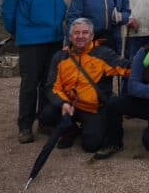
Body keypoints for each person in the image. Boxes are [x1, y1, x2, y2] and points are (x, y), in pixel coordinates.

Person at [0, 0, 67, 144]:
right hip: (31, 36)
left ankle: (45, 120)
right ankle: (25, 125)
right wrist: (17, 30)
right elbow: (8, 5)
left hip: (54, 35)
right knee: (30, 83)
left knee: (49, 82)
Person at [41, 18, 129, 155]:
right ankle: (71, 130)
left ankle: (97, 127)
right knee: (47, 114)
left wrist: (144, 61)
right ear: (70, 37)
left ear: (92, 36)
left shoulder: (104, 54)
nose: (80, 36)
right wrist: (63, 103)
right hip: (70, 106)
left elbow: (125, 68)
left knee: (91, 145)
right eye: (76, 33)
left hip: (93, 108)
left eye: (85, 32)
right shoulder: (60, 57)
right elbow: (52, 87)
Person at [101, 20, 149, 158]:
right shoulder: (143, 52)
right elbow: (132, 86)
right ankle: (113, 142)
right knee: (114, 103)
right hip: (146, 101)